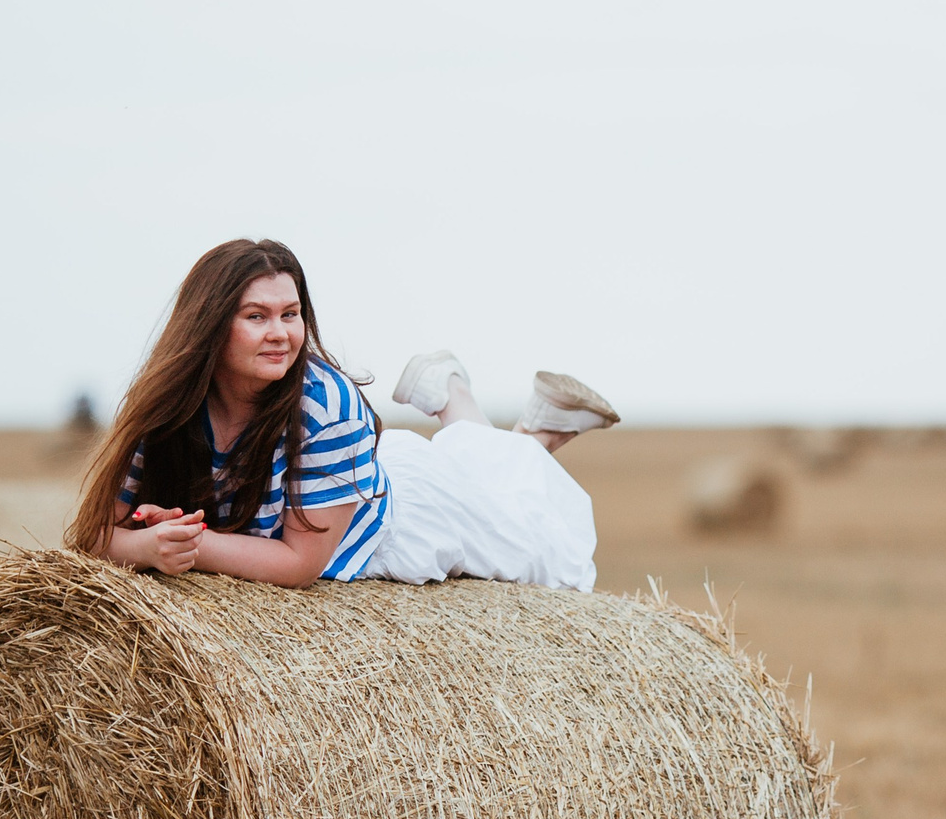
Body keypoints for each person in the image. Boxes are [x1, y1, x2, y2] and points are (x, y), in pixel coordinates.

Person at [69, 238, 618, 591]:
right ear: (211, 325)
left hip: (401, 516)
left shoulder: (324, 407)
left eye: (291, 314)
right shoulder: (167, 405)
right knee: (495, 475)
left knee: (545, 549)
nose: (281, 333)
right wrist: (145, 546)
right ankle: (532, 427)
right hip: (335, 482)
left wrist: (192, 545)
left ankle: (456, 395)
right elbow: (91, 534)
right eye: (256, 316)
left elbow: (299, 563)